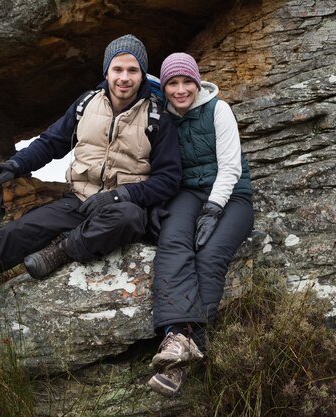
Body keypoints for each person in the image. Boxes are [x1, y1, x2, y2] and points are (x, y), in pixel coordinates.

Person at [0, 34, 182, 326]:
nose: (124, 77)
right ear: (106, 71)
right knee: (12, 235)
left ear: (142, 74)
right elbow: (51, 143)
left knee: (129, 218)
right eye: (118, 69)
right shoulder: (86, 104)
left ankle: (61, 251)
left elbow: (169, 179)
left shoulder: (158, 117)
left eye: (133, 70)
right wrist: (14, 165)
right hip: (76, 200)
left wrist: (119, 196)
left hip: (120, 206)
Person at [147, 53, 254, 397]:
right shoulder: (163, 118)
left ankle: (183, 347)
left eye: (186, 82)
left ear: (197, 81)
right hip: (187, 194)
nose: (181, 90)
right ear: (164, 88)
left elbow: (231, 167)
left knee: (208, 256)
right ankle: (177, 337)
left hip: (232, 194)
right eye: (172, 84)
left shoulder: (218, 109)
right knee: (173, 243)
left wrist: (213, 209)